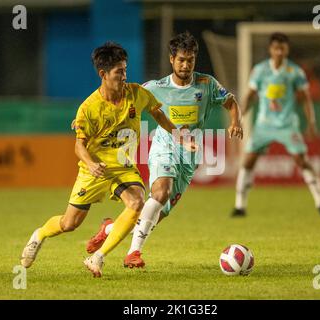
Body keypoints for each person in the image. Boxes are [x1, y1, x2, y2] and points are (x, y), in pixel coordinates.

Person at [20, 42, 192, 278]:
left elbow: (158, 114)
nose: (124, 76)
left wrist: (179, 137)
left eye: (125, 69)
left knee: (137, 203)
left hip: (122, 167)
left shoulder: (136, 94)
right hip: (95, 170)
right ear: (103, 74)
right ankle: (38, 236)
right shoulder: (89, 108)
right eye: (119, 72)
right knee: (69, 224)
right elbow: (79, 145)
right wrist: (91, 164)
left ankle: (97, 257)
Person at [86, 31, 243, 268]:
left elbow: (231, 102)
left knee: (157, 214)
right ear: (172, 60)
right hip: (164, 145)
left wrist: (235, 122)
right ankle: (133, 253)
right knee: (160, 193)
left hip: (190, 154)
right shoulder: (155, 87)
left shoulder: (206, 84)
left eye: (190, 59)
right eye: (181, 59)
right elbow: (122, 96)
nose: (186, 64)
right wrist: (84, 119)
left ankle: (109, 228)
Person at [231, 32, 320, 218]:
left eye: (282, 48)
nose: (279, 52)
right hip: (263, 125)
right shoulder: (260, 70)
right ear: (270, 49)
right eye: (276, 48)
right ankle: (239, 206)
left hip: (287, 124)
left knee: (301, 160)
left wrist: (311, 122)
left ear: (287, 50)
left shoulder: (295, 72)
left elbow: (306, 99)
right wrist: (239, 118)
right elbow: (250, 95)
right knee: (249, 160)